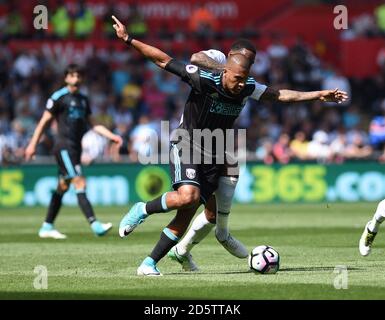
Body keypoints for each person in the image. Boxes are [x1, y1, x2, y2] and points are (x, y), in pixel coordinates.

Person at [112, 15, 348, 276]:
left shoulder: (246, 86)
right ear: (227, 67)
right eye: (236, 77)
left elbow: (280, 95)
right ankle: (142, 209)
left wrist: (318, 94)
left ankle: (149, 263)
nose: (239, 84)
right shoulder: (204, 80)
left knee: (186, 214)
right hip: (188, 142)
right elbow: (163, 59)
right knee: (187, 197)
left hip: (215, 150)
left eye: (244, 76)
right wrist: (129, 39)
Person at [25, 64, 123, 239]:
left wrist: (111, 136)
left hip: (75, 148)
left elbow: (93, 123)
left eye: (78, 76)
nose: (76, 79)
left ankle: (47, 226)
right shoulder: (58, 97)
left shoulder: (83, 100)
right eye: (72, 76)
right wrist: (32, 144)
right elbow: (43, 122)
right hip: (63, 147)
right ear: (66, 78)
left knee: (62, 186)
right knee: (79, 182)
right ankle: (95, 224)